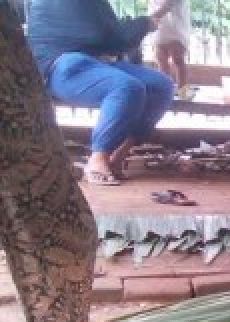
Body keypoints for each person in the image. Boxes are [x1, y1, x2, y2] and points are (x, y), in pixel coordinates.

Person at [26, 0, 175, 186]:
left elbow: (110, 36)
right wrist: (148, 21)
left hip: (96, 62)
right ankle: (97, 159)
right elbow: (115, 38)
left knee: (161, 86)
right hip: (62, 65)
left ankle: (118, 155)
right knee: (126, 87)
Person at [150, 0, 191, 99]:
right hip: (160, 30)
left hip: (176, 29)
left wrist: (145, 20)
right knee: (161, 61)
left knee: (178, 60)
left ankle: (183, 92)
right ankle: (166, 91)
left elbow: (167, 6)